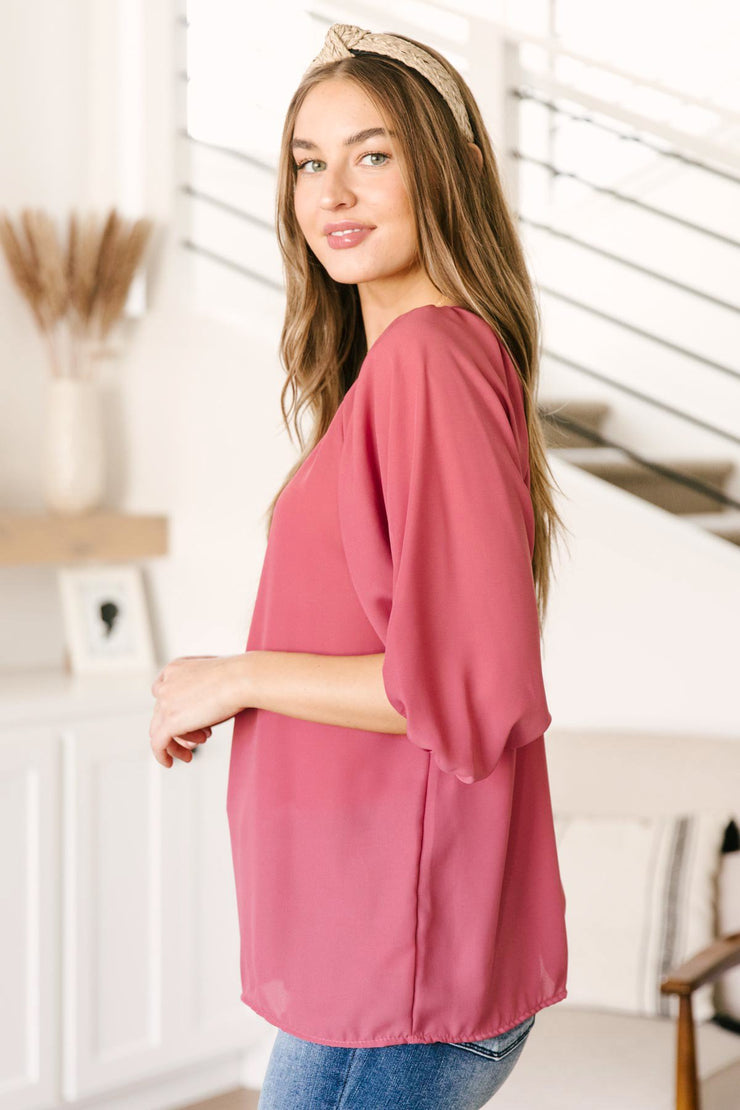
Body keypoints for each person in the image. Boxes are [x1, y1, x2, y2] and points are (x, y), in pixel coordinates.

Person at [149, 22, 569, 1109]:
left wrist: (236, 677)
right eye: (307, 161)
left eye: (372, 154)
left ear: (450, 169)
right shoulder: (402, 367)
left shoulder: (430, 359)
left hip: (404, 961)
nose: (331, 191)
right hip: (372, 950)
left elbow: (466, 691)